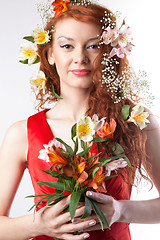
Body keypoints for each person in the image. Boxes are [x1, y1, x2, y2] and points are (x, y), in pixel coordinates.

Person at [0, 1, 160, 240]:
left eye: (93, 46)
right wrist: (37, 224)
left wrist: (120, 211)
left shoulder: (135, 121)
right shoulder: (22, 133)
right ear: (50, 54)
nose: (80, 57)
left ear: (108, 53)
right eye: (67, 46)